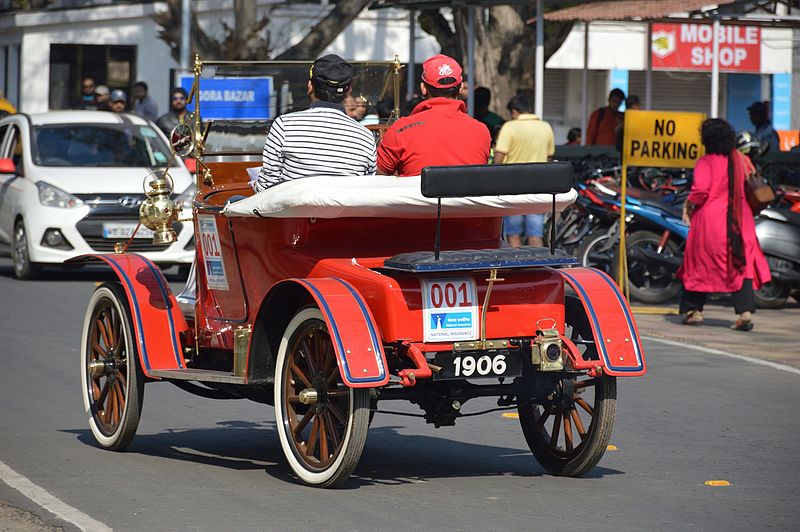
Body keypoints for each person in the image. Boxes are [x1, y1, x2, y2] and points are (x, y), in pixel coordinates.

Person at [677, 118, 771, 331]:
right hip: (741, 220)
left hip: (712, 223)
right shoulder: (741, 159)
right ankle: (744, 313)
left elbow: (700, 190)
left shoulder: (706, 162)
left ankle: (694, 312)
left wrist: (688, 204)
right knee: (740, 265)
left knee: (699, 264)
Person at [253, 54, 376, 192]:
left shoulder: (284, 126)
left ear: (310, 86)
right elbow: (367, 189)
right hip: (343, 212)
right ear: (348, 92)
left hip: (294, 212)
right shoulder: (366, 137)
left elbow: (266, 188)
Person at [377, 54, 490, 176]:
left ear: (423, 88)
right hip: (466, 194)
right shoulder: (481, 131)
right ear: (461, 88)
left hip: (417, 195)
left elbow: (380, 175)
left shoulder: (401, 129)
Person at [494, 93, 555, 248]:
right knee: (535, 234)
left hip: (513, 187)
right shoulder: (545, 126)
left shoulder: (510, 126)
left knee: (513, 234)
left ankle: (517, 268)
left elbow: (499, 155)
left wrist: (494, 175)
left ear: (514, 111)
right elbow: (549, 156)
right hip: (537, 188)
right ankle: (538, 268)